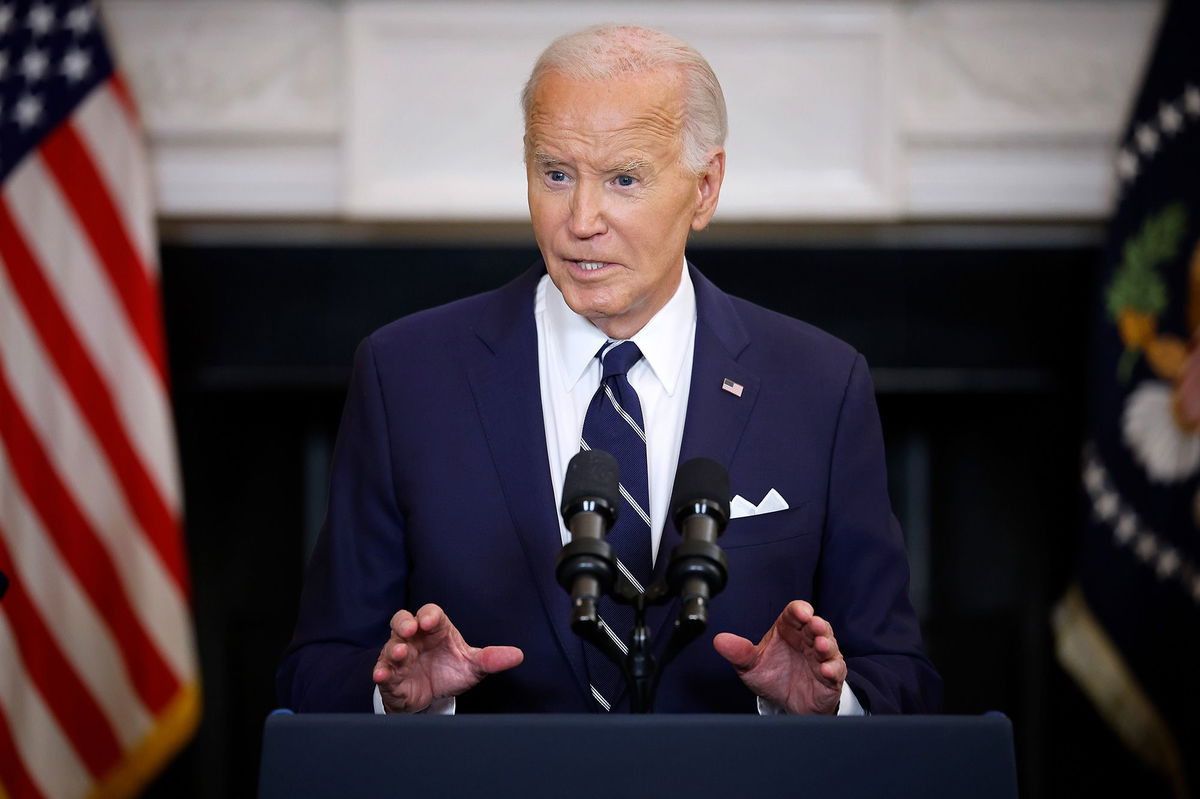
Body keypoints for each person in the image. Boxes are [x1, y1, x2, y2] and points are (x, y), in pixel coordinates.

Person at [277, 24, 941, 716]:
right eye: (555, 174)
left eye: (623, 179)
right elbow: (314, 671)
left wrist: (831, 705)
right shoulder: (405, 377)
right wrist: (398, 700)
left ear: (706, 188)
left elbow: (903, 677)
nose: (581, 219)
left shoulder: (819, 387)